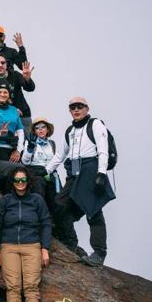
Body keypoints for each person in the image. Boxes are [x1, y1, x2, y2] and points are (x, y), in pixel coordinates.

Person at [44, 97, 116, 267]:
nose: (76, 110)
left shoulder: (95, 124)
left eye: (79, 107)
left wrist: (101, 173)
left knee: (93, 211)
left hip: (91, 169)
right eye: (72, 107)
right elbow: (60, 156)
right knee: (60, 205)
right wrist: (44, 171)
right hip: (74, 172)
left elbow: (103, 150)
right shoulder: (70, 130)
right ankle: (70, 242)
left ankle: (99, 252)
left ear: (87, 108)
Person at [0, 167, 51, 302]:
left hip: (32, 246)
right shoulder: (5, 201)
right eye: (16, 180)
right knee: (13, 286)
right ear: (12, 182)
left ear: (28, 181)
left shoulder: (37, 200)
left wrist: (45, 249)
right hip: (8, 247)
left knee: (31, 286)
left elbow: (46, 224)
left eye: (23, 180)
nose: (20, 183)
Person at [0, 54, 35, 135]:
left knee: (28, 143)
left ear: (6, 65)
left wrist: (27, 79)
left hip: (23, 115)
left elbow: (30, 88)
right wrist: (12, 110)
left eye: (3, 63)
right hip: (3, 117)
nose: (0, 65)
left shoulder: (15, 75)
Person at [22, 118, 60, 215]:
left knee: (58, 200)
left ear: (47, 130)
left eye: (43, 127)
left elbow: (55, 160)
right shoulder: (30, 142)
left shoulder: (52, 143)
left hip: (50, 172)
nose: (41, 130)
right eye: (37, 128)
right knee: (39, 195)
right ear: (34, 131)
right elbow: (25, 162)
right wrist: (30, 148)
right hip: (36, 172)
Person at [0, 81, 25, 162]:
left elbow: (20, 132)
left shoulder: (13, 109)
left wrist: (18, 151)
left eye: (5, 92)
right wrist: (0, 133)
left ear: (9, 95)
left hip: (14, 148)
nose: (2, 94)